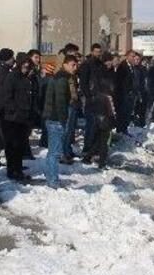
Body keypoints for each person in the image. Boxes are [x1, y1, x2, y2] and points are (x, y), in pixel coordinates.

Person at [44, 54, 79, 188]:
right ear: (65, 64)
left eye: (76, 65)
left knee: (53, 151)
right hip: (55, 119)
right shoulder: (61, 79)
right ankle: (53, 180)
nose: (75, 68)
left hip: (54, 119)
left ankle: (50, 176)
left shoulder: (65, 77)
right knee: (55, 152)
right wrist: (63, 121)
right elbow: (59, 102)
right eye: (72, 65)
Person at [1, 53, 34, 182]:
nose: (26, 65)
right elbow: (7, 96)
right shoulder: (12, 76)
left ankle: (18, 169)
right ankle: (11, 170)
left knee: (20, 145)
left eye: (28, 63)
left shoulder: (26, 77)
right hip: (12, 118)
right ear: (19, 63)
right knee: (12, 146)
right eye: (24, 63)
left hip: (23, 118)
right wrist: (14, 110)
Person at [83, 67, 117, 169]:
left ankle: (88, 157)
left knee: (99, 140)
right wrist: (114, 120)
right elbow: (111, 110)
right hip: (105, 119)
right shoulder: (107, 96)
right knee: (104, 142)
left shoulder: (95, 92)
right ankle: (102, 162)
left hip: (98, 118)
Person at [115, 51, 139, 134]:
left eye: (134, 56)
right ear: (127, 57)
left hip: (130, 94)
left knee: (128, 113)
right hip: (123, 94)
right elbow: (120, 82)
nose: (133, 58)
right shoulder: (122, 66)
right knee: (122, 113)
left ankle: (124, 129)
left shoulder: (131, 67)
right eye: (132, 56)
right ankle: (120, 130)